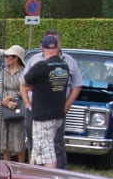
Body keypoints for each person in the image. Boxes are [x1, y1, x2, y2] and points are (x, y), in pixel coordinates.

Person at [22, 33, 79, 167]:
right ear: (57, 48)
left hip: (43, 114)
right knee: (39, 147)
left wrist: (35, 87)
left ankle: (49, 178)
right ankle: (33, 173)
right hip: (57, 113)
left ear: (42, 48)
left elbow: (25, 82)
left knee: (47, 149)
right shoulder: (64, 65)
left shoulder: (41, 65)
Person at [0, 44, 29, 162]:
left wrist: (14, 99)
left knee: (18, 137)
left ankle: (21, 165)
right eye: (5, 56)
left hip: (19, 106)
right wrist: (5, 101)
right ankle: (6, 164)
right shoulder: (4, 72)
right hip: (4, 106)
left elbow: (25, 88)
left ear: (16, 58)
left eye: (8, 56)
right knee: (4, 137)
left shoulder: (24, 73)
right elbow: (0, 88)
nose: (6, 59)